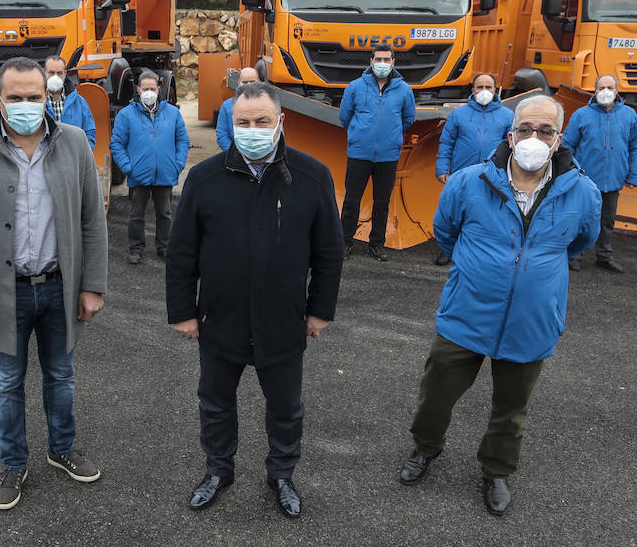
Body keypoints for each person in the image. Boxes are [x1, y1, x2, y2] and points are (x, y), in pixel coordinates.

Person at [398, 96, 601, 516]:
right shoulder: (468, 182)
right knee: (436, 394)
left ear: (558, 139)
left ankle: (496, 470)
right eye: (525, 129)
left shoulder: (583, 191)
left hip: (533, 320)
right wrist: (480, 271)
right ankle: (425, 448)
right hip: (466, 313)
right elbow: (446, 232)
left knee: (512, 408)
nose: (533, 138)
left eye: (545, 131)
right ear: (510, 135)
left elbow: (580, 241)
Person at [166, 82, 344, 519]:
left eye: (262, 122)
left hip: (283, 320)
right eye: (243, 123)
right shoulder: (205, 178)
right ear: (231, 124)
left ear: (280, 121)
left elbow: (329, 252)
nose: (252, 129)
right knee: (215, 402)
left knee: (286, 407)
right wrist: (183, 312)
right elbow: (181, 251)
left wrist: (320, 310)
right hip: (219, 320)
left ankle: (282, 473)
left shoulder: (312, 175)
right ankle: (217, 469)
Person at [0, 56, 108, 511]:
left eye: (34, 97)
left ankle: (62, 449)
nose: (25, 105)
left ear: (47, 96)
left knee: (60, 375)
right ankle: (14, 463)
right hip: (3, 292)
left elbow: (93, 219)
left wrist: (92, 285)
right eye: (14, 97)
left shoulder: (73, 143)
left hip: (59, 285)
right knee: (6, 383)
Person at [338, 45, 415, 260]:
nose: (382, 63)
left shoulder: (404, 90)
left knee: (382, 202)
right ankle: (345, 242)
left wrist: (392, 135)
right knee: (352, 200)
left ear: (393, 63)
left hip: (388, 156)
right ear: (371, 62)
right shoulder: (355, 87)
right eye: (378, 59)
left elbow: (408, 119)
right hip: (359, 154)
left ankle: (376, 244)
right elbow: (345, 117)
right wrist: (359, 134)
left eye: (386, 59)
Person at [561, 75, 637, 273]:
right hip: (585, 180)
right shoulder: (581, 115)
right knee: (580, 218)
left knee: (608, 221)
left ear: (617, 91)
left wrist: (634, 175)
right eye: (601, 88)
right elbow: (567, 146)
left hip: (614, 179)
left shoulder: (630, 115)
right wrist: (569, 173)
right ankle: (574, 256)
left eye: (610, 87)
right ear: (594, 91)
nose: (605, 91)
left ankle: (604, 256)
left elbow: (636, 147)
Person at [109, 70, 189, 265]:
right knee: (136, 215)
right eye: (145, 89)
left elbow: (183, 141)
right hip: (138, 174)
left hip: (165, 173)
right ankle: (136, 249)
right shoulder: (126, 115)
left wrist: (177, 164)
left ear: (159, 89)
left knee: (165, 214)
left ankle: (164, 248)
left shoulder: (173, 113)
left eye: (152, 89)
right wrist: (129, 168)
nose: (149, 92)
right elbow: (116, 144)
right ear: (138, 89)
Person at [434, 72, 513, 264]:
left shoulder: (508, 116)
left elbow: (513, 146)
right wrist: (442, 168)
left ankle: (483, 252)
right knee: (456, 211)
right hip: (461, 172)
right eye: (480, 87)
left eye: (488, 87)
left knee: (490, 212)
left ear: (496, 91)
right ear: (473, 90)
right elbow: (446, 143)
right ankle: (450, 249)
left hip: (493, 174)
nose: (484, 91)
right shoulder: (459, 114)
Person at [42, 55, 97, 149]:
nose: (55, 77)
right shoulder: (37, 102)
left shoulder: (79, 102)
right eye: (51, 73)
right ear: (44, 73)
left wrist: (82, 155)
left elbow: (89, 132)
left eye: (59, 73)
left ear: (65, 74)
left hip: (73, 159)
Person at [215, 66, 261, 151]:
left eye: (252, 81)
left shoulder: (269, 104)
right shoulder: (227, 106)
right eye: (245, 82)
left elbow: (278, 133)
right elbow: (222, 135)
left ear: (258, 82)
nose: (249, 85)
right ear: (239, 82)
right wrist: (235, 154)